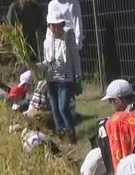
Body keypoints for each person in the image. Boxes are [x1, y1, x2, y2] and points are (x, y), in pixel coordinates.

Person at [40, 3, 81, 141]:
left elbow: (75, 58)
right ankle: (61, 135)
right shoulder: (47, 42)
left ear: (63, 24)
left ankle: (71, 133)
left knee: (63, 107)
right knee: (55, 109)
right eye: (53, 25)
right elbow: (47, 62)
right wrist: (35, 66)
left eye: (59, 25)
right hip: (52, 79)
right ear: (49, 26)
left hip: (66, 78)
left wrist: (78, 77)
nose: (56, 28)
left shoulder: (69, 37)